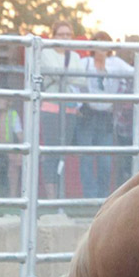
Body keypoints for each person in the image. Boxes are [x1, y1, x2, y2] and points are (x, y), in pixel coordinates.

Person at [76, 31, 134, 199]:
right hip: (87, 114)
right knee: (86, 160)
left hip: (106, 116)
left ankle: (102, 198)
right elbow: (72, 81)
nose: (101, 47)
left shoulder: (115, 63)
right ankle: (89, 198)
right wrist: (78, 105)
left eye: (105, 43)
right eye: (98, 42)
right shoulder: (84, 62)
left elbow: (134, 73)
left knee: (105, 162)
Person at [39, 21, 87, 199]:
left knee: (62, 153)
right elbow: (53, 72)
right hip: (51, 109)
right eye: (61, 34)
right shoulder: (45, 53)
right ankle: (52, 199)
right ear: (54, 36)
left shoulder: (74, 56)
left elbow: (82, 80)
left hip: (69, 110)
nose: (65, 38)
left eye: (68, 34)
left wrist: (65, 78)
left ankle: (59, 196)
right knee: (51, 152)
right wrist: (68, 77)